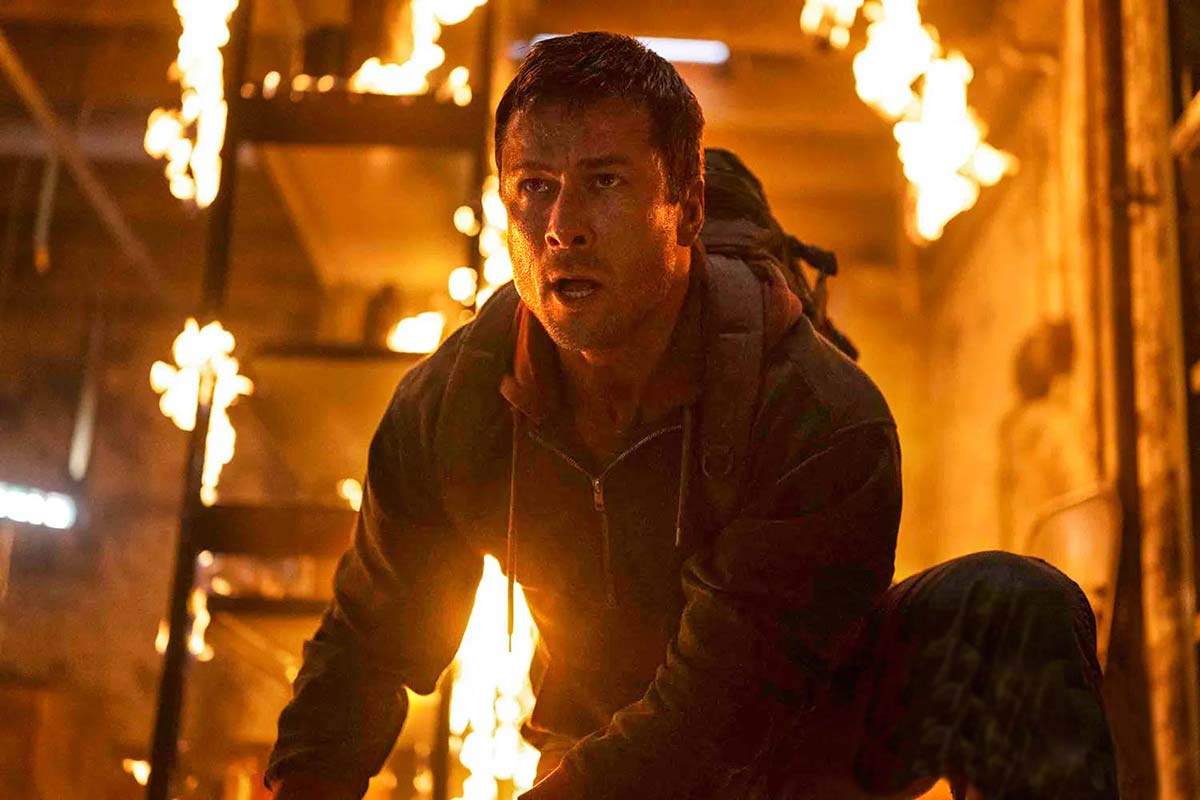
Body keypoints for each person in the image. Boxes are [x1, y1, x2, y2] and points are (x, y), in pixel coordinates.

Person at [266, 32, 1117, 800]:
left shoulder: (819, 412)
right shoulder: (452, 406)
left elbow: (727, 703)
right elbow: (366, 645)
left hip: (809, 733)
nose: (562, 228)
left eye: (605, 182)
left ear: (688, 208)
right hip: (599, 738)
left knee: (1016, 605)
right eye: (534, 187)